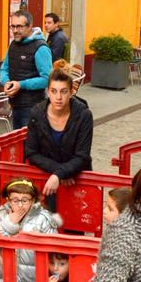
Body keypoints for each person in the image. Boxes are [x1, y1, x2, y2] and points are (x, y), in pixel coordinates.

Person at [25, 68, 93, 211]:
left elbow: (82, 156)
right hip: (48, 179)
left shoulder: (83, 115)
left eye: (63, 91)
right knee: (50, 224)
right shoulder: (36, 114)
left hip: (77, 180)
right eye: (54, 91)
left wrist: (59, 174)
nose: (58, 97)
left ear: (71, 92)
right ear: (48, 92)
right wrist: (59, 173)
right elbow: (31, 153)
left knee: (75, 228)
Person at [0, 9, 53, 129]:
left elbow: (47, 79)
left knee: (30, 146)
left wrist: (20, 85)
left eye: (19, 26)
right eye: (12, 26)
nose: (15, 30)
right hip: (15, 105)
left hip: (33, 107)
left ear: (30, 26)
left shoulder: (41, 48)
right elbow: (4, 69)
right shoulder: (13, 45)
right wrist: (6, 82)